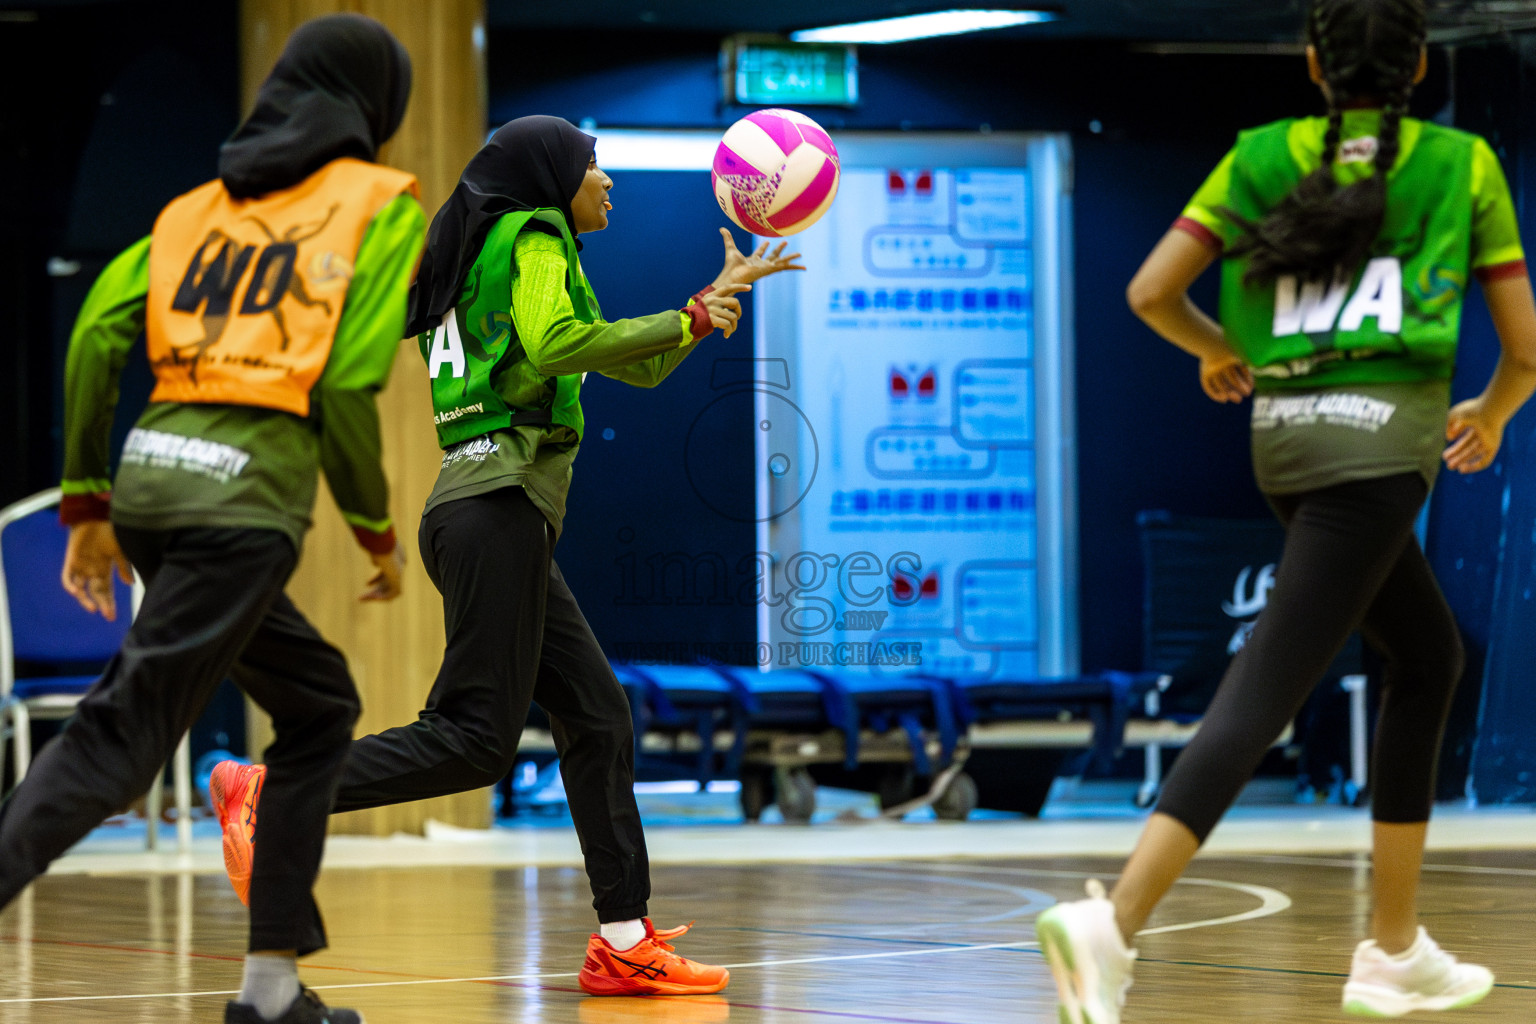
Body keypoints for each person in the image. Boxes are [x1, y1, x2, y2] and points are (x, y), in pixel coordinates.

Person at [211, 114, 803, 996]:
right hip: (497, 507)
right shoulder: (534, 234)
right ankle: (277, 785)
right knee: (475, 741)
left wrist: (698, 319)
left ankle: (625, 938)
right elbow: (563, 345)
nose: (608, 181)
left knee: (597, 715)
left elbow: (608, 361)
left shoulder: (489, 252)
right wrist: (680, 315)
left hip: (484, 510)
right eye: (595, 164)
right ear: (552, 174)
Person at [1036, 0, 1536, 1021]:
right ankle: (1115, 923)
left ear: (1312, 63)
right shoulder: (1464, 162)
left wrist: (1221, 349)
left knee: (1429, 656)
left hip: (1288, 447)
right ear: (1423, 67)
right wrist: (1492, 408)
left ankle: (1394, 948)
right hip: (1383, 455)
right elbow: (1526, 346)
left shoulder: (1259, 154)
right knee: (1264, 689)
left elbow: (1149, 292)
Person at [0, 14, 425, 1024]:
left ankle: (272, 989)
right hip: (240, 507)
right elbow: (348, 388)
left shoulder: (197, 208)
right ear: (378, 106)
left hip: (154, 484)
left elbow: (97, 340)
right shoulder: (376, 205)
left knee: (320, 705)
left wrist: (90, 506)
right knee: (121, 735)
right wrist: (375, 529)